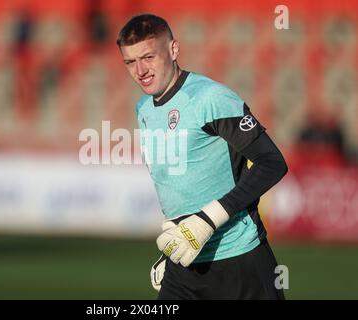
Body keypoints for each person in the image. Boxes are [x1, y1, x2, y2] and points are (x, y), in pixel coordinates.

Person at [116, 14, 288, 300]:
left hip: (239, 260)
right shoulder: (143, 108)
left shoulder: (210, 98)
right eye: (130, 62)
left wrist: (206, 221)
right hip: (184, 265)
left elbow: (272, 163)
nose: (140, 70)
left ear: (173, 50)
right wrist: (172, 243)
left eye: (148, 57)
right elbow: (179, 182)